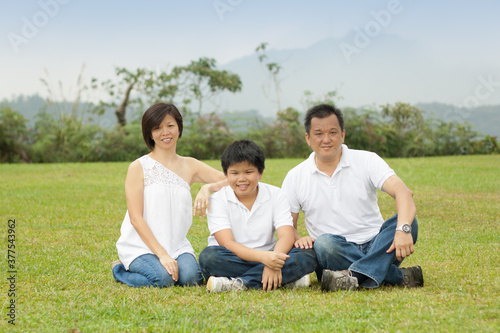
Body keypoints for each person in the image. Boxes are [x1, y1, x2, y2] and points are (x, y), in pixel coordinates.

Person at [281, 103, 423, 291]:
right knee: (324, 244)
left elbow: (403, 193)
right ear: (308, 138)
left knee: (408, 222)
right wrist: (298, 237)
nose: (326, 139)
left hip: (378, 244)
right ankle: (396, 276)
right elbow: (286, 224)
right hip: (334, 250)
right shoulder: (295, 175)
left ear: (343, 135)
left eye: (332, 132)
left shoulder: (367, 160)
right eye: (318, 133)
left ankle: (349, 277)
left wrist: (403, 230)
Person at [112, 102, 226, 288]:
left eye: (170, 126)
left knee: (190, 280)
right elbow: (135, 218)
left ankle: (166, 263)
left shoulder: (190, 165)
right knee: (163, 279)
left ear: (179, 129)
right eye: (157, 128)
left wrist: (207, 188)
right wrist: (162, 255)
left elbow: (232, 179)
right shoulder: (138, 167)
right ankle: (120, 270)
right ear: (149, 133)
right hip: (141, 246)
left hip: (177, 245)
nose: (165, 132)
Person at [198, 140, 318, 293]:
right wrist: (265, 260)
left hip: (272, 256)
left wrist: (272, 262)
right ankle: (286, 278)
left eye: (248, 172)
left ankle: (240, 283)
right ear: (226, 175)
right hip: (233, 257)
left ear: (260, 173)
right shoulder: (217, 200)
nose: (241, 179)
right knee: (209, 257)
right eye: (234, 173)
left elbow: (286, 236)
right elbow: (228, 243)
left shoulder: (276, 194)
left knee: (308, 254)